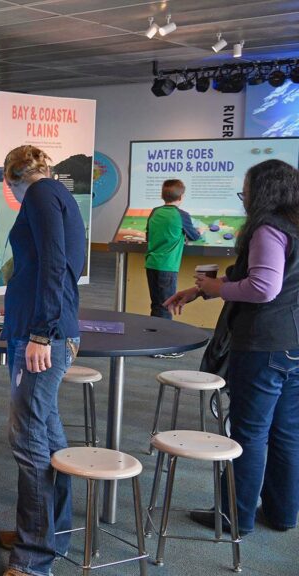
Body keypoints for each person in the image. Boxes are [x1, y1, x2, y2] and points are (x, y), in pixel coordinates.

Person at [165, 159, 299, 536]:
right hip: (292, 344)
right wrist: (201, 289)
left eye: (247, 191)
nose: (245, 199)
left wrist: (218, 288)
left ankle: (235, 515)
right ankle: (283, 512)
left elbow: (263, 288)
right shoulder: (294, 226)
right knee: (287, 432)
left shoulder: (267, 229)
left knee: (250, 432)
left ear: (264, 192)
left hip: (263, 346)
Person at [0, 145, 87, 576]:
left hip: (43, 340)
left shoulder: (38, 195)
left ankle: (34, 558)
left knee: (29, 441)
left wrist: (40, 332)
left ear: (12, 177)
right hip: (47, 332)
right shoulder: (58, 195)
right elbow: (56, 265)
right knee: (49, 441)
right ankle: (49, 532)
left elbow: (55, 264)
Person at [145, 179, 202, 321]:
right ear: (181, 197)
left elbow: (148, 235)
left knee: (156, 304)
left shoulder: (155, 211)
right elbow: (194, 236)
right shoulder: (182, 215)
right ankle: (163, 339)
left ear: (162, 195)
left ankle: (154, 335)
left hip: (151, 264)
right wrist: (200, 231)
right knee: (166, 305)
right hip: (168, 266)